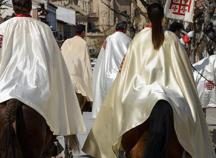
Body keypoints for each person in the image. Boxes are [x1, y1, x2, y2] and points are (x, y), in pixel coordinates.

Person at [83, 3, 215, 158]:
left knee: (118, 116)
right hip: (171, 92)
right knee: (193, 120)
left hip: (140, 91)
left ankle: (116, 149)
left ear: (148, 16)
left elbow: (127, 71)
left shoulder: (138, 39)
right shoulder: (172, 39)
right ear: (163, 18)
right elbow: (184, 71)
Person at [0, 0, 86, 144]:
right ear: (30, 7)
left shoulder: (2, 29)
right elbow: (54, 60)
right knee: (49, 113)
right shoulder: (43, 29)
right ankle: (52, 143)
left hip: (3, 86)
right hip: (35, 85)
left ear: (13, 6)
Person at [92, 21, 131, 118]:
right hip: (122, 76)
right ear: (125, 29)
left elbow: (102, 57)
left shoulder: (108, 39)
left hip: (108, 75)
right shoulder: (129, 40)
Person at [61, 24, 93, 110]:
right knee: (78, 110)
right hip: (77, 82)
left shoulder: (66, 42)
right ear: (83, 33)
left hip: (65, 80)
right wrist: (89, 88)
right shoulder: (83, 43)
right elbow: (86, 65)